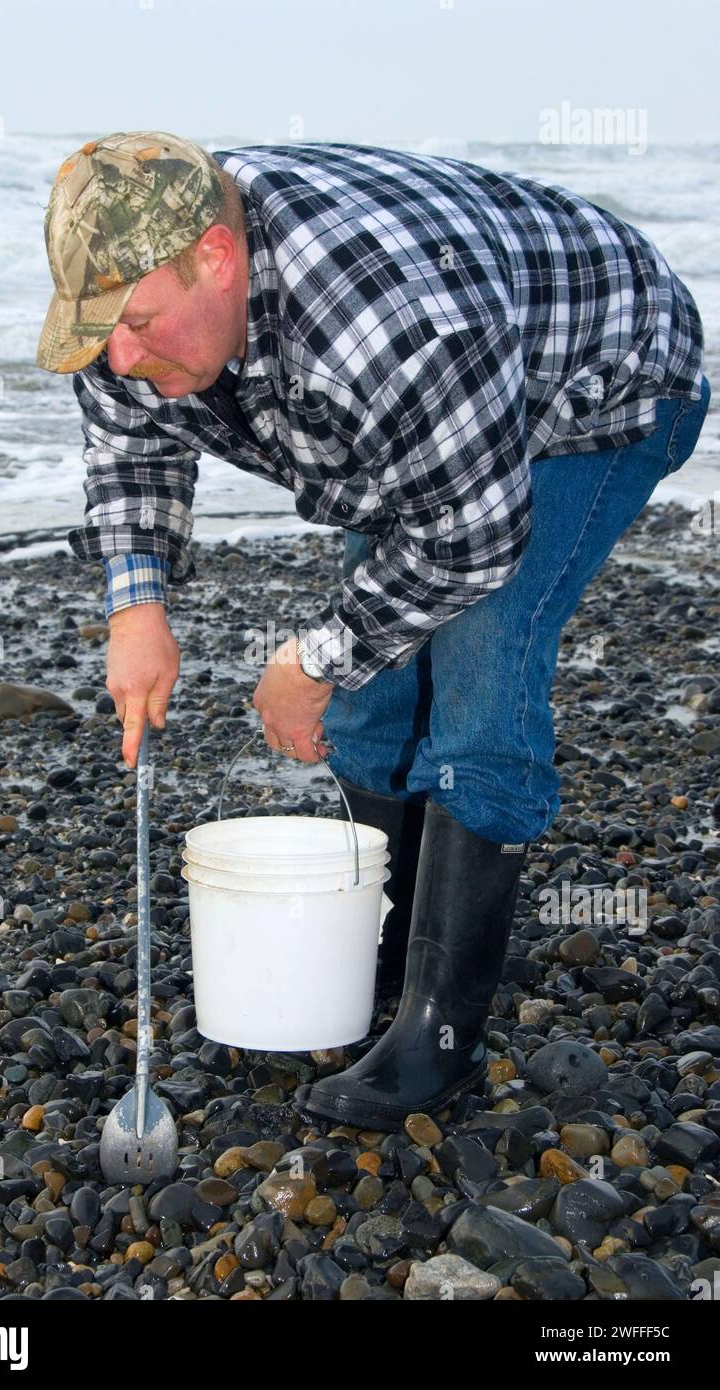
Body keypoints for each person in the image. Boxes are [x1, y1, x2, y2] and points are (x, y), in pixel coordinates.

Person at [37, 131, 710, 1133]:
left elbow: (475, 537)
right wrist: (137, 606)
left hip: (599, 382)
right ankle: (379, 962)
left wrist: (312, 660)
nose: (122, 354)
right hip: (431, 417)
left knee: (482, 649)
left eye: (138, 323)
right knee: (379, 684)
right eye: (102, 330)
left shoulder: (386, 325)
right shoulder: (127, 290)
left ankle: (439, 1032)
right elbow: (127, 435)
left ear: (217, 258)